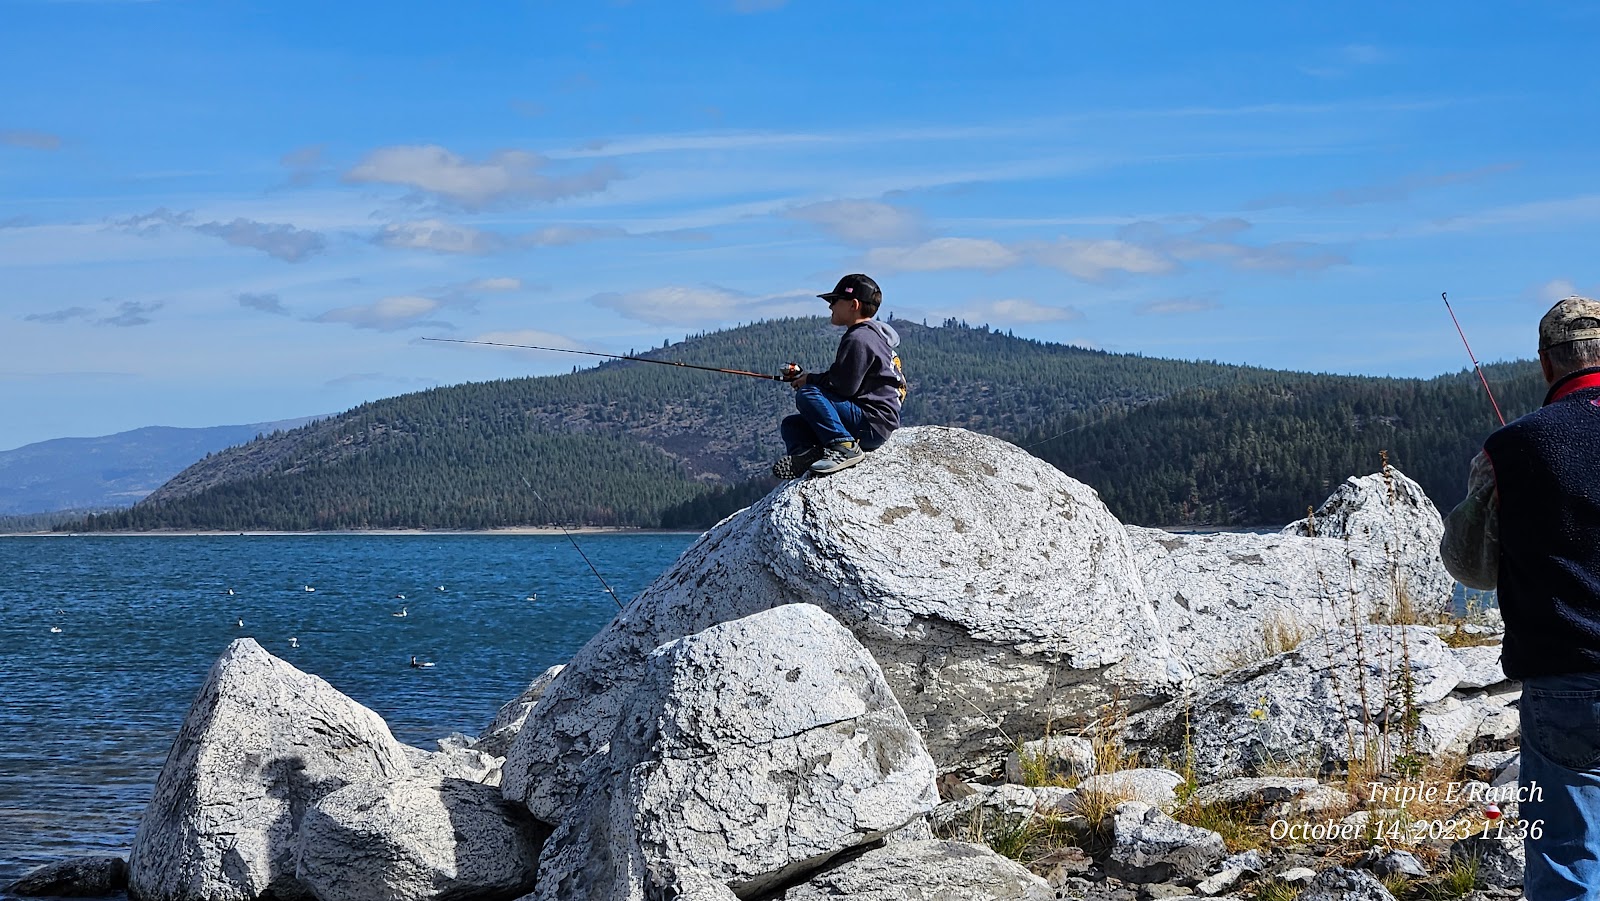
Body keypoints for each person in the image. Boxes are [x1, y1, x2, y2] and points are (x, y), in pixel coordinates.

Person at [1441, 295, 1600, 901]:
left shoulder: (1512, 448)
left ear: (1545, 363)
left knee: (1567, 860)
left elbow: (1469, 566)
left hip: (1564, 678)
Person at [772, 273, 905, 478]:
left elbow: (843, 386)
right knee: (792, 425)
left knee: (808, 394)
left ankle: (844, 447)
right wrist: (811, 378)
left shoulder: (859, 338)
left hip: (871, 425)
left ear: (854, 304)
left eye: (834, 300)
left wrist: (809, 380)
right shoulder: (873, 336)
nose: (830, 306)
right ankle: (810, 457)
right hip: (874, 423)